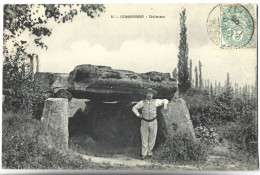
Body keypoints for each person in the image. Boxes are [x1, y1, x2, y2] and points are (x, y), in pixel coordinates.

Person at [132, 88, 168, 160]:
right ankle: (144, 154)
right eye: (148, 93)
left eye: (151, 94)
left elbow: (165, 100)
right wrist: (138, 115)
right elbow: (134, 108)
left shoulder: (156, 101)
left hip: (153, 122)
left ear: (152, 95)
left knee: (152, 137)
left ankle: (150, 152)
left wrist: (165, 105)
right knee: (144, 137)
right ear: (146, 94)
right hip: (144, 122)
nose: (149, 95)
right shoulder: (142, 102)